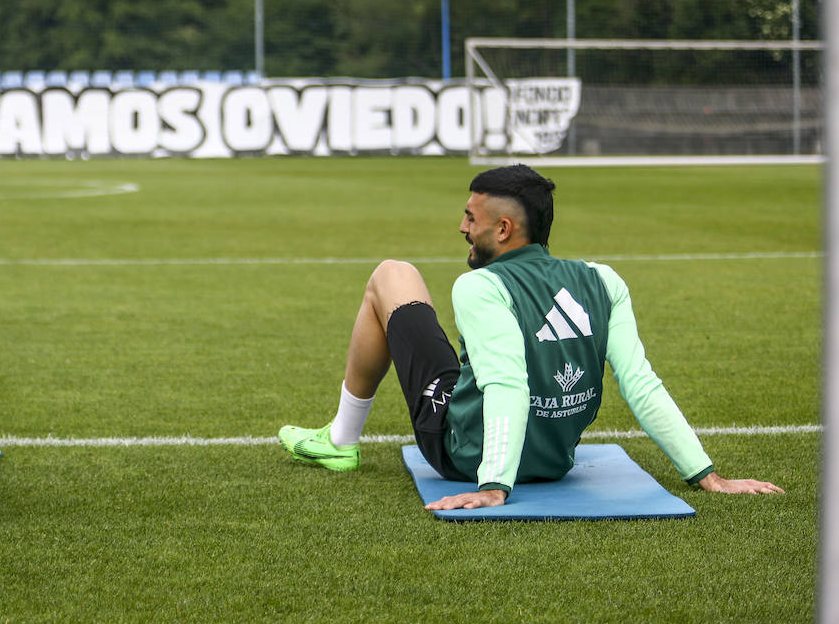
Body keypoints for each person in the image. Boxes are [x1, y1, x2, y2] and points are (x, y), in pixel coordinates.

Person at [278, 164, 782, 508]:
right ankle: (344, 439)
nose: (461, 227)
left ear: (502, 229)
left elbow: (507, 385)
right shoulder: (604, 279)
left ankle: (340, 440)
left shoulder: (480, 285)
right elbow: (640, 383)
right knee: (483, 363)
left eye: (470, 218)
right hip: (553, 461)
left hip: (464, 454)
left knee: (391, 275)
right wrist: (707, 475)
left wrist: (494, 485)